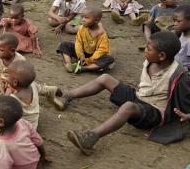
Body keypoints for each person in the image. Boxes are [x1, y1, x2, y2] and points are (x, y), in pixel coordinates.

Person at [55, 32, 190, 155]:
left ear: (161, 56)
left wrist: (187, 115)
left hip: (155, 112)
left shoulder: (179, 75)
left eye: (149, 49)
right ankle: (67, 96)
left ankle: (90, 138)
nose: (145, 51)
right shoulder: (150, 60)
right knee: (105, 78)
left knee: (128, 106)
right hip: (139, 97)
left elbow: (187, 98)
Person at [0, 60, 60, 130]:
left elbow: (1, 111)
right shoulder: (32, 85)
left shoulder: (13, 99)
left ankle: (5, 147)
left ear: (15, 82)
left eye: (8, 76)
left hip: (21, 130)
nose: (6, 77)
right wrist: (53, 90)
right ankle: (54, 91)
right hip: (33, 126)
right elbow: (43, 89)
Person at [57, 7, 114, 73]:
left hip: (95, 56)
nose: (83, 20)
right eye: (82, 17)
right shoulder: (82, 28)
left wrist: (88, 60)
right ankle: (69, 64)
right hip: (83, 52)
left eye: (86, 18)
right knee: (64, 44)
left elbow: (102, 50)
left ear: (96, 20)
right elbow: (78, 42)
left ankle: (83, 68)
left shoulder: (102, 34)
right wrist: (81, 55)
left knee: (109, 59)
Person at [174, 5, 190, 70]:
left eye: (178, 21)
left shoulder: (189, 42)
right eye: (174, 20)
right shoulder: (182, 33)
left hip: (184, 73)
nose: (175, 23)